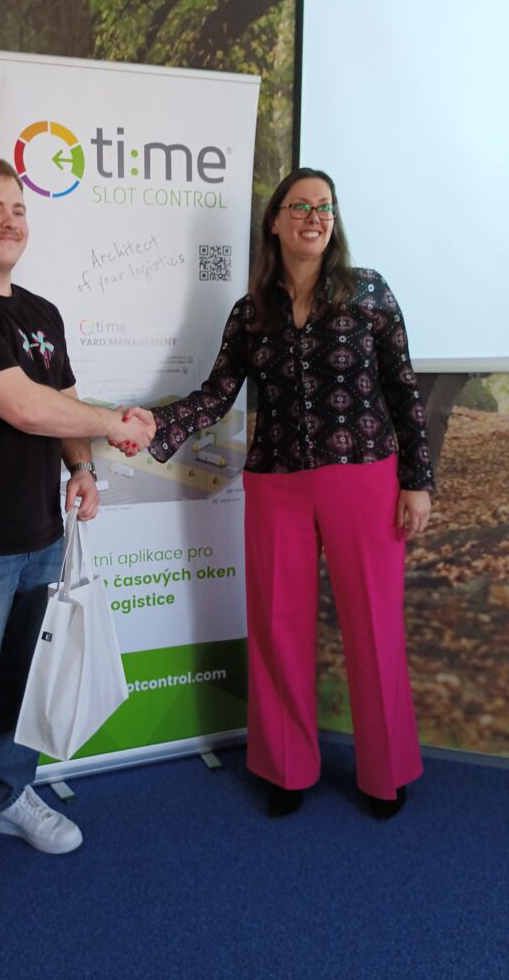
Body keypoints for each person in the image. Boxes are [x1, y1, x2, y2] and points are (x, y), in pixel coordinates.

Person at [144, 167, 434, 819]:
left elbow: (402, 389)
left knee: (374, 625)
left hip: (363, 474)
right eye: (299, 206)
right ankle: (285, 767)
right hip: (276, 481)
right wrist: (155, 424)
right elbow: (216, 395)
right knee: (277, 625)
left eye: (324, 206)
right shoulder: (251, 312)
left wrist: (416, 481)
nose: (314, 217)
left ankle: (386, 771)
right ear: (274, 222)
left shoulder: (368, 291)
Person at [0, 158, 154, 908]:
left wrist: (82, 466)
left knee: (21, 687)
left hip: (40, 536)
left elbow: (60, 399)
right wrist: (117, 424)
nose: (11, 221)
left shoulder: (41, 312)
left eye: (18, 209)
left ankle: (7, 794)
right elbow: (23, 406)